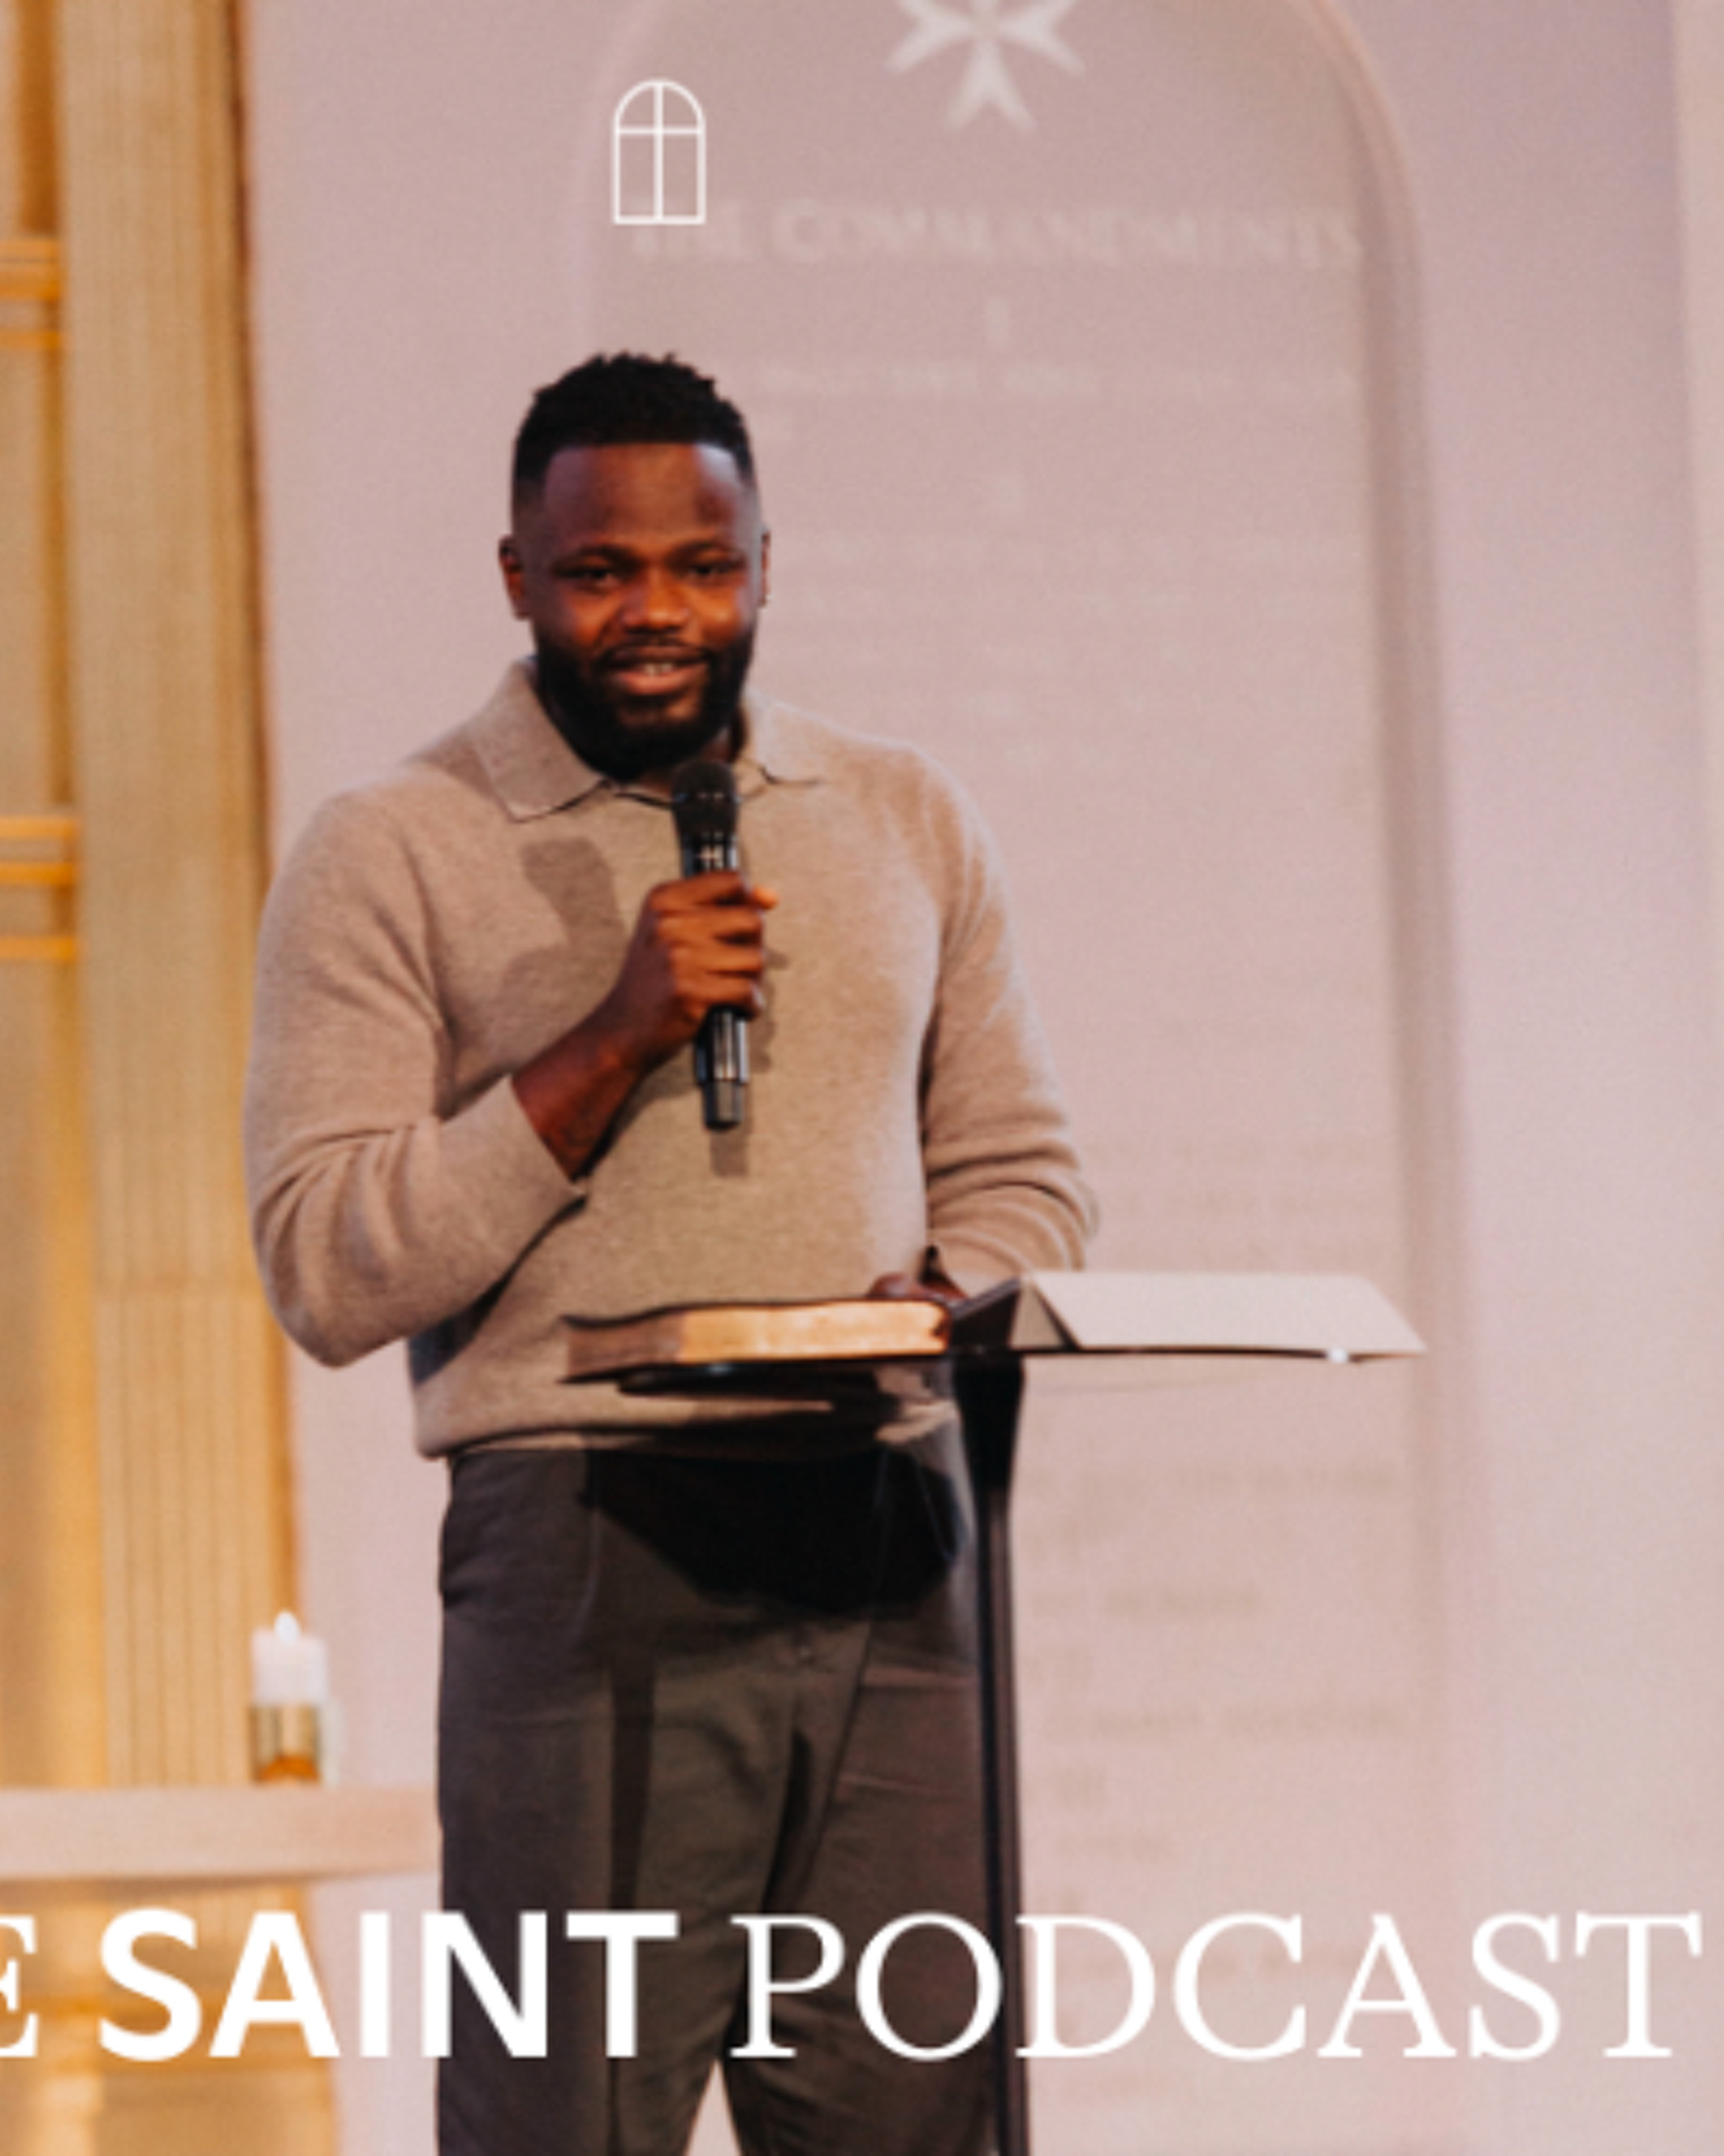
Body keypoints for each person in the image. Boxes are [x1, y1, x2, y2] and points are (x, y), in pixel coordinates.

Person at [244, 353, 1095, 2156]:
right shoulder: (391, 847)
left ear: (765, 564)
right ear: (517, 579)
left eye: (703, 566)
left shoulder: (902, 816)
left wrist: (944, 1299)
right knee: (570, 2119)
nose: (658, 613)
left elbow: (1022, 1175)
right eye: (602, 571)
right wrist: (615, 1035)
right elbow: (325, 1264)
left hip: (890, 1527)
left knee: (916, 2121)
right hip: (592, 1537)